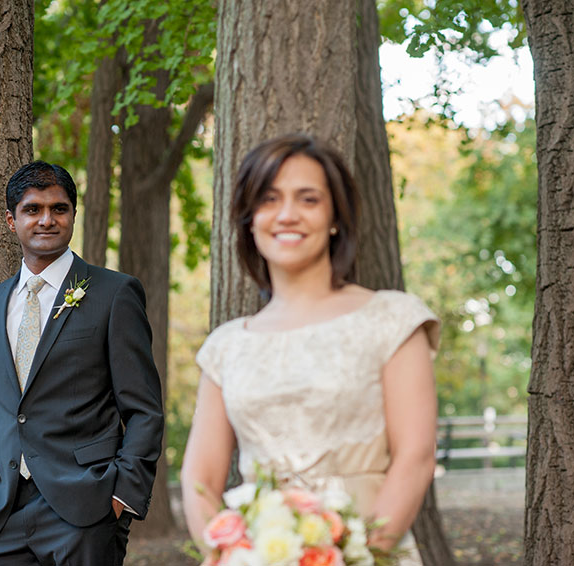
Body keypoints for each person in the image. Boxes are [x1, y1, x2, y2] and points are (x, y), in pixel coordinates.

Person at [181, 134, 438, 564]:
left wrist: (356, 556)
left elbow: (415, 457)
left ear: (336, 216)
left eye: (308, 199)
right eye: (268, 199)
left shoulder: (393, 319)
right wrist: (226, 554)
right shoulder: (225, 347)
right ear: (249, 219)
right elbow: (199, 477)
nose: (286, 215)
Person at [0, 160, 164, 566]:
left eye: (59, 208)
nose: (46, 220)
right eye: (32, 210)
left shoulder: (114, 294)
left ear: (73, 214)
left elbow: (143, 409)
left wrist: (121, 496)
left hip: (85, 510)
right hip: (0, 514)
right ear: (10, 220)